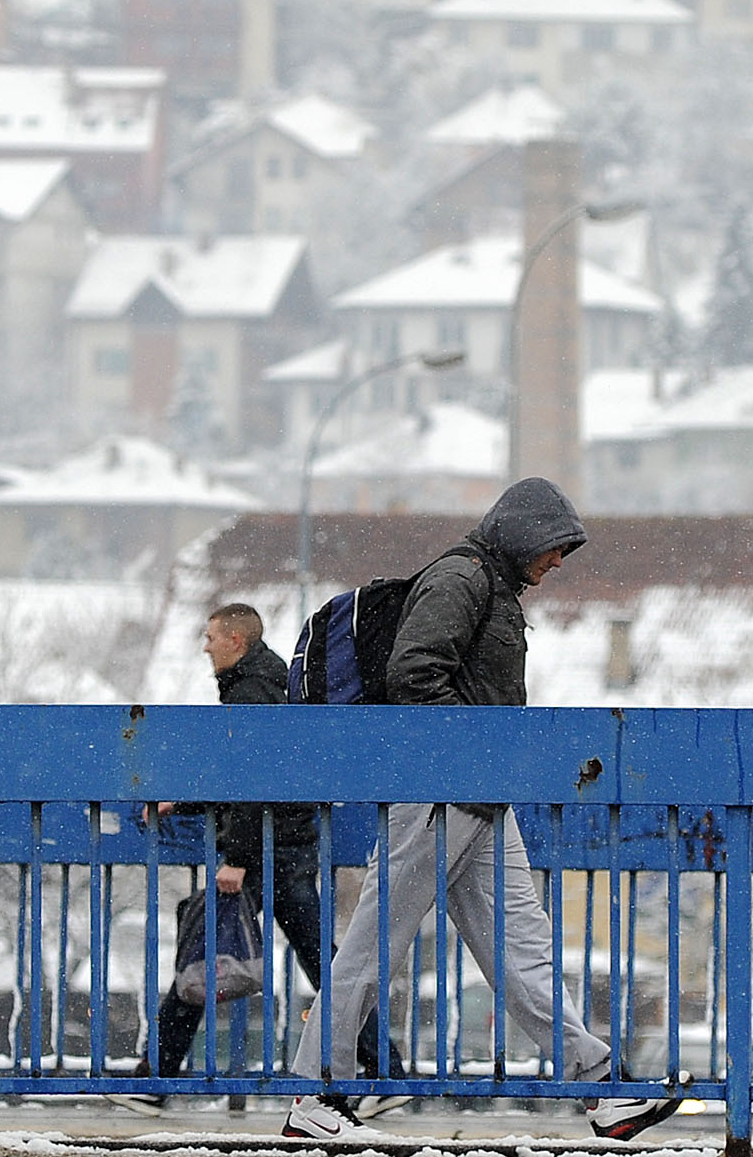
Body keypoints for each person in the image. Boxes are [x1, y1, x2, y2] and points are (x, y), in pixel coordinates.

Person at [281, 479, 682, 1143]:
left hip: (480, 796)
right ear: (524, 532)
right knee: (376, 944)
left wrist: (483, 761)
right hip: (439, 793)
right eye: (555, 547)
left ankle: (601, 1085)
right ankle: (314, 1090)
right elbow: (414, 673)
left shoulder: (490, 588)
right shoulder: (460, 579)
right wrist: (472, 748)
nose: (558, 561)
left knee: (523, 950)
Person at [111, 602, 406, 1117]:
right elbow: (244, 775)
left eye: (211, 638)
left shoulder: (251, 690)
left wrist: (240, 858)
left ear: (236, 641)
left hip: (271, 852)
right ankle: (386, 1069)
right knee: (319, 963)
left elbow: (254, 779)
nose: (205, 647)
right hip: (284, 846)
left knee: (209, 953)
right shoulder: (265, 682)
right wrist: (185, 802)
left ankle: (155, 1078)